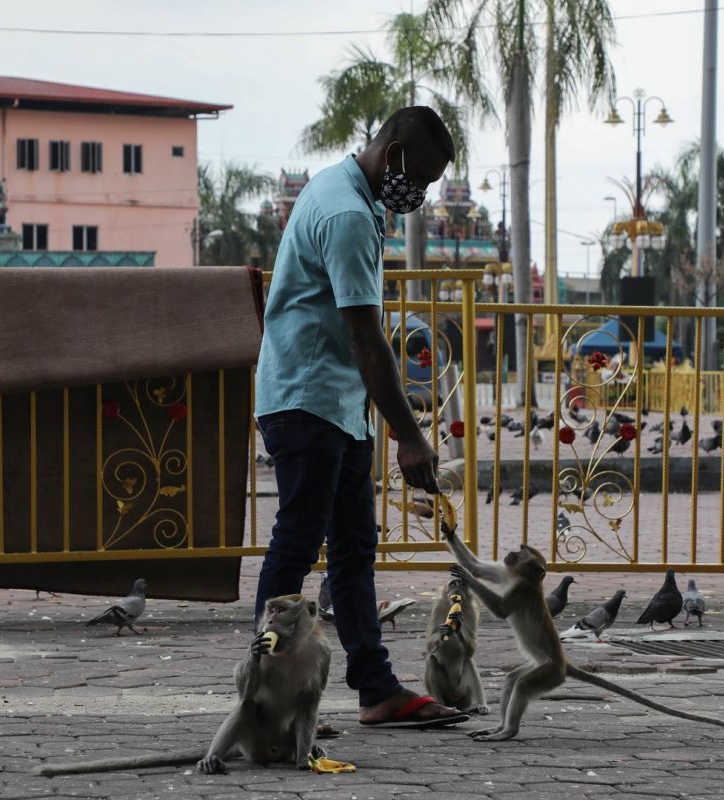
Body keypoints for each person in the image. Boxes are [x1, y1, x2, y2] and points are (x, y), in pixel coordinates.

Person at [254, 106, 467, 728]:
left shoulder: (354, 197)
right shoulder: (346, 213)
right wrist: (410, 436)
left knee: (352, 550)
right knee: (297, 543)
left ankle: (374, 689)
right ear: (392, 150)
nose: (419, 194)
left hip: (337, 403)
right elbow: (367, 338)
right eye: (419, 178)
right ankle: (267, 694)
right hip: (306, 395)